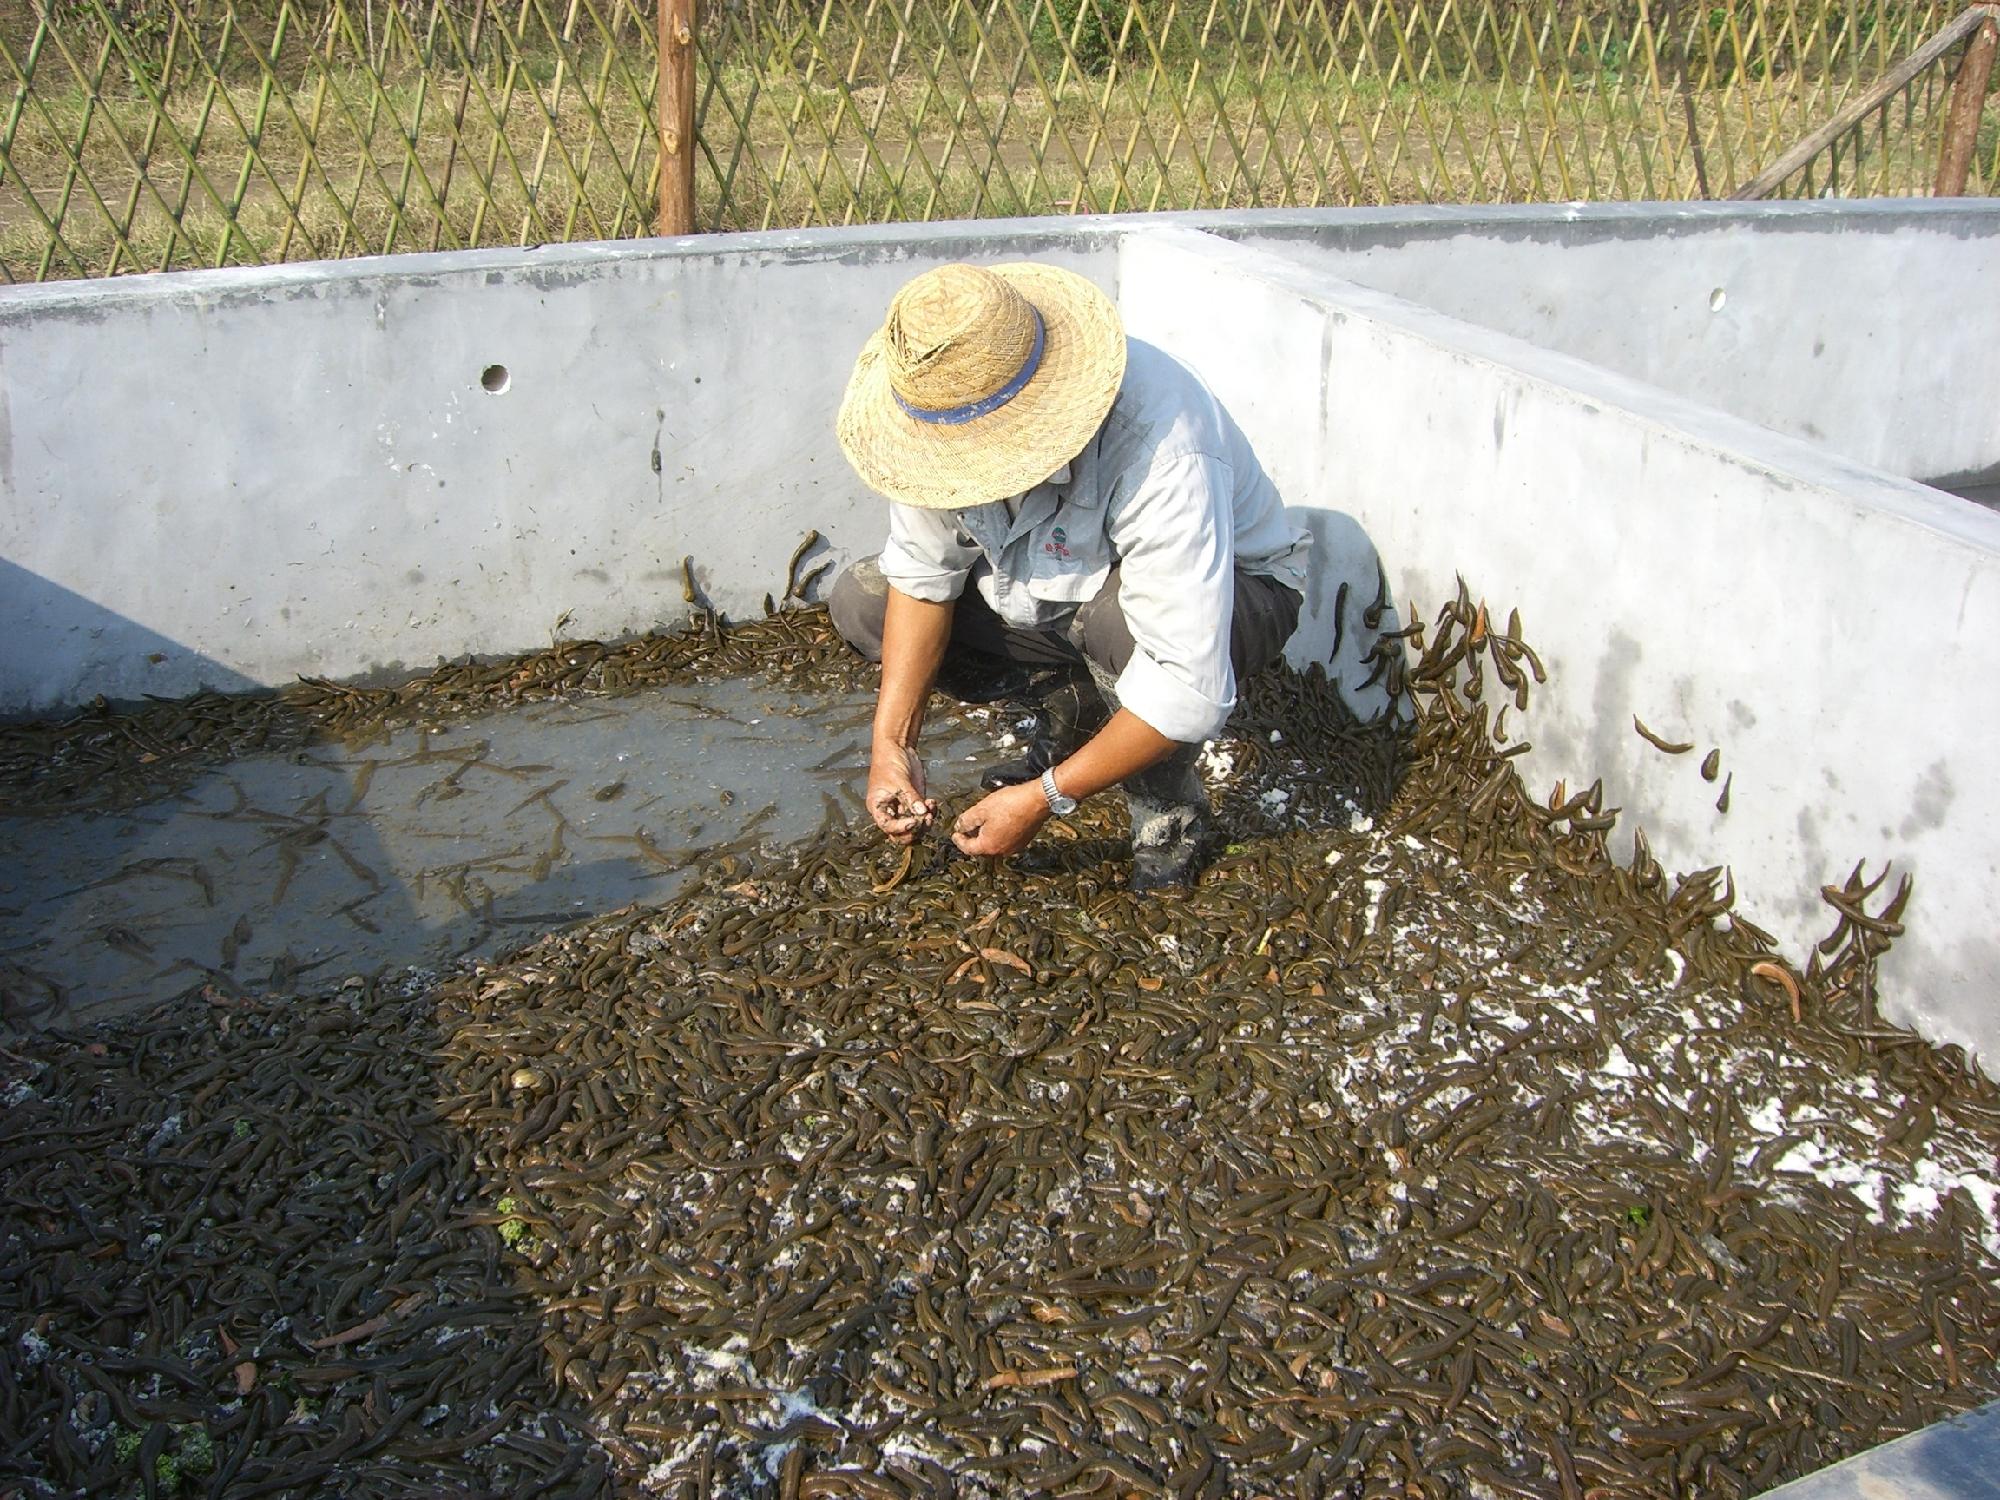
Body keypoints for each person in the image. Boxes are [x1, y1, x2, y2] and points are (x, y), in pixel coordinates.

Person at [828, 261, 1308, 890]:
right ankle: (1076, 699)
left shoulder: (1160, 439)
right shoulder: (937, 412)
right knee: (864, 599)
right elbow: (924, 575)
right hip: (1050, 592)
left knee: (1116, 624)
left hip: (1239, 596)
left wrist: (1045, 798)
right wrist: (891, 744)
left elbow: (1188, 688)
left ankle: (1169, 812)